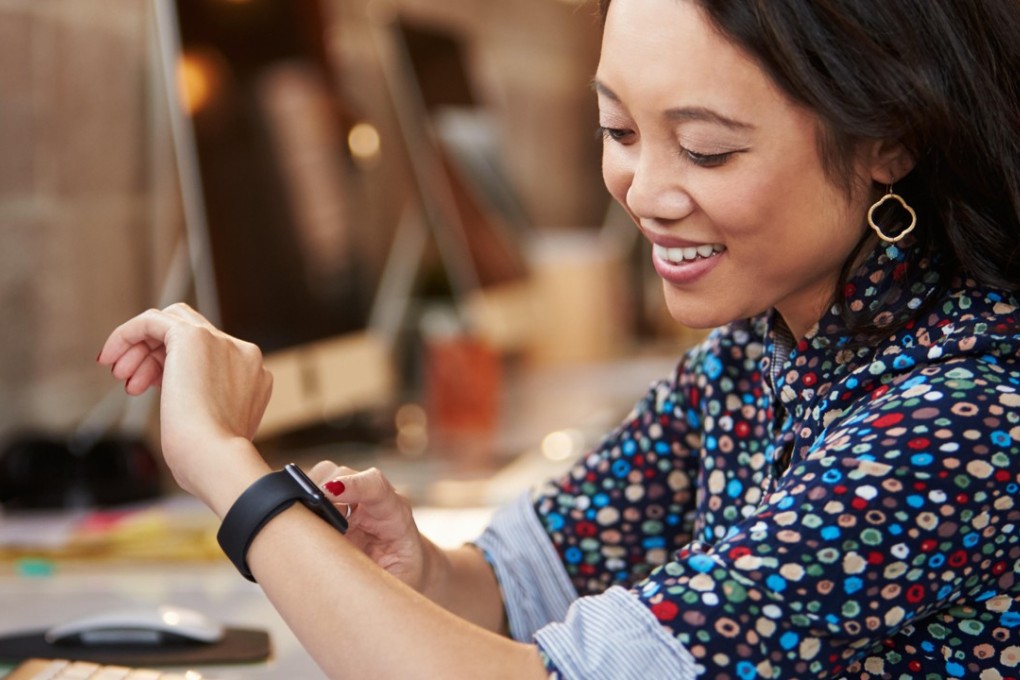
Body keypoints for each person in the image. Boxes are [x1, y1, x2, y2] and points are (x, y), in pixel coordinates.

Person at [98, 0, 1020, 677]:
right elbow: (520, 580)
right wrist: (419, 566)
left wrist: (225, 468)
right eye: (617, 129)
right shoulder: (755, 353)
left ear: (887, 140)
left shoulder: (965, 417)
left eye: (705, 150)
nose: (645, 195)